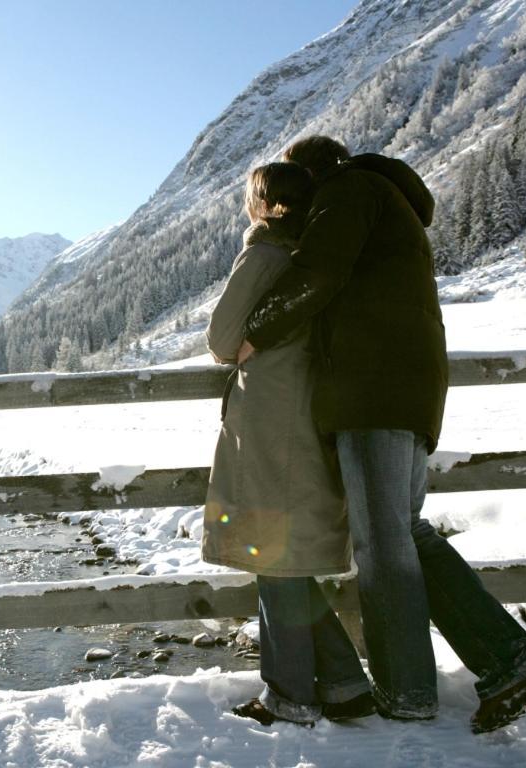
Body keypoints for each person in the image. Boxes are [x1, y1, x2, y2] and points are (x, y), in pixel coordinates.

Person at [239, 136, 526, 733]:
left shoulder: (349, 190)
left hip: (371, 387)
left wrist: (255, 330)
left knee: (383, 544)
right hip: (408, 386)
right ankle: (509, 660)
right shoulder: (390, 198)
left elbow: (321, 269)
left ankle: (412, 690)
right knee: (406, 532)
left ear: (311, 174)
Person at [203, 161, 374, 727]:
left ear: (266, 203)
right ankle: (346, 684)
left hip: (270, 419)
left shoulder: (265, 256)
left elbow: (222, 340)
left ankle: (291, 697)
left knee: (270, 554)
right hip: (309, 416)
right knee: (288, 562)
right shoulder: (313, 260)